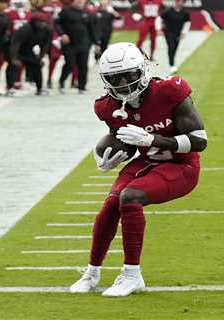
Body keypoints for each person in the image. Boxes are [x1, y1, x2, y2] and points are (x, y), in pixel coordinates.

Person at [69, 42, 207, 297]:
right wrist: (106, 159)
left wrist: (152, 140)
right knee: (111, 204)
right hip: (146, 161)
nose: (122, 83)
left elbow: (200, 140)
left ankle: (132, 275)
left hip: (181, 165)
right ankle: (92, 272)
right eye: (114, 78)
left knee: (130, 196)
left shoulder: (169, 90)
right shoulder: (106, 106)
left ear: (142, 69)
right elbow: (121, 139)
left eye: (128, 75)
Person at [54, 0, 100, 94]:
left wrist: (96, 44)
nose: (79, 2)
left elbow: (92, 29)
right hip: (69, 44)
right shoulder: (65, 11)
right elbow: (57, 23)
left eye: (81, 1)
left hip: (84, 44)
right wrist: (62, 34)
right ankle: (62, 82)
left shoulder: (87, 13)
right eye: (77, 1)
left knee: (83, 66)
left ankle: (82, 87)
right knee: (70, 63)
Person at [8, 12, 52, 95]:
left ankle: (40, 89)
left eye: (44, 21)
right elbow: (15, 43)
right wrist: (14, 58)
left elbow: (45, 45)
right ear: (34, 21)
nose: (42, 24)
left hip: (28, 49)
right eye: (40, 21)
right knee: (13, 65)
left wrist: (41, 57)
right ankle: (10, 88)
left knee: (37, 65)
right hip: (15, 49)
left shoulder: (47, 30)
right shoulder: (25, 29)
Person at [155, 0, 190, 74]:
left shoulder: (185, 12)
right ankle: (172, 65)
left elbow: (187, 23)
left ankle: (172, 63)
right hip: (168, 32)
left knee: (175, 48)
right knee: (171, 47)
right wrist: (159, 29)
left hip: (178, 33)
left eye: (180, 1)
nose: (178, 3)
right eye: (177, 1)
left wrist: (184, 32)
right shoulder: (168, 11)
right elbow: (159, 19)